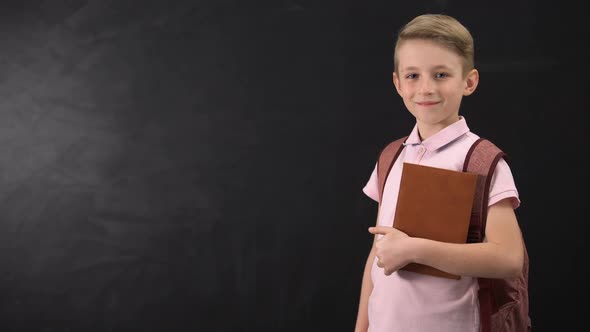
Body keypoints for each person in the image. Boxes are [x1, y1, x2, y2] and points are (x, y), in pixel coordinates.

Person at [354, 13, 525, 332]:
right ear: (397, 83)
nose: (426, 88)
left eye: (441, 74)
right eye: (413, 75)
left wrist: (416, 250)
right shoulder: (392, 156)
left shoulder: (479, 160)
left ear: (469, 81)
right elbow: (378, 253)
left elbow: (509, 258)